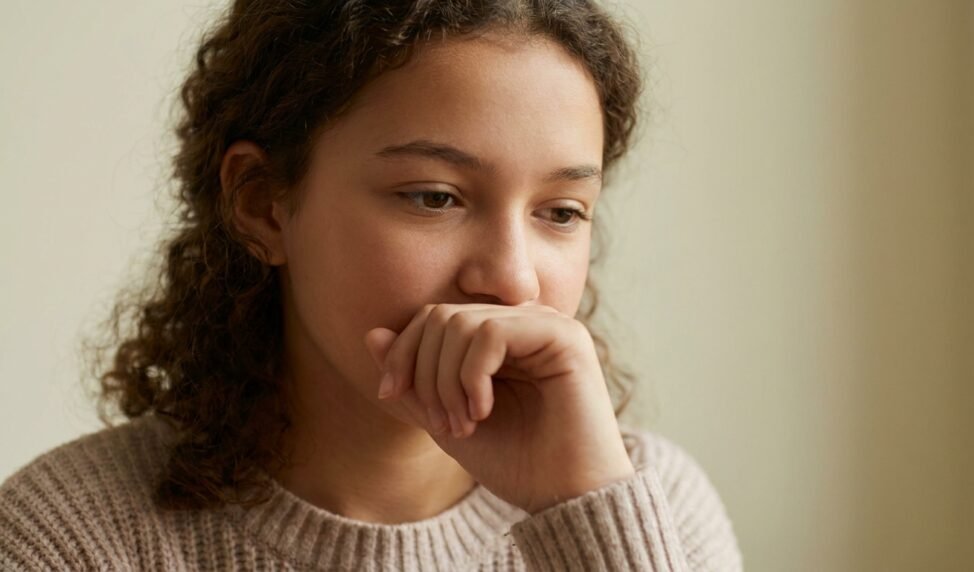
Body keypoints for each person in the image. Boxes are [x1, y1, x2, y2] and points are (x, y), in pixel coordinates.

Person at [0, 1, 742, 570]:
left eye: (561, 212)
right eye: (435, 197)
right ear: (262, 204)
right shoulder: (70, 540)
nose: (514, 278)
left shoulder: (657, 510)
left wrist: (585, 513)